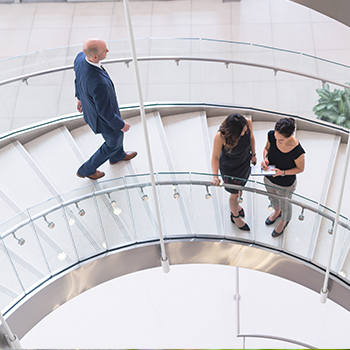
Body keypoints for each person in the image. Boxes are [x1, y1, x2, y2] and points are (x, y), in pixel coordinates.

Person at [74, 38, 137, 180]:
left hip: (92, 108)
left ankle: (117, 156)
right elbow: (105, 112)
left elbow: (78, 79)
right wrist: (121, 124)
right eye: (105, 50)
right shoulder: (99, 84)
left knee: (116, 139)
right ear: (95, 57)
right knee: (113, 142)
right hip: (104, 120)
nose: (108, 51)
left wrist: (79, 97)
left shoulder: (80, 58)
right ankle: (86, 169)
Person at [211, 113, 257, 231]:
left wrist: (254, 154)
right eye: (242, 131)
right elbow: (215, 157)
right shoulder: (220, 137)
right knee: (234, 193)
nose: (244, 132)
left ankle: (236, 206)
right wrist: (215, 176)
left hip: (244, 163)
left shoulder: (247, 123)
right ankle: (235, 216)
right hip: (230, 168)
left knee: (240, 188)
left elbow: (251, 138)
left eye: (245, 129)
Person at [261, 117, 305, 237]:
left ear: (290, 135)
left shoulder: (297, 151)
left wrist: (283, 172)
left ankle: (284, 221)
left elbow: (300, 169)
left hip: (285, 183)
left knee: (285, 204)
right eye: (276, 138)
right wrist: (265, 159)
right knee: (272, 197)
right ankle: (276, 211)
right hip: (269, 177)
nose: (277, 141)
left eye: (281, 140)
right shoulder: (271, 135)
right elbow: (266, 149)